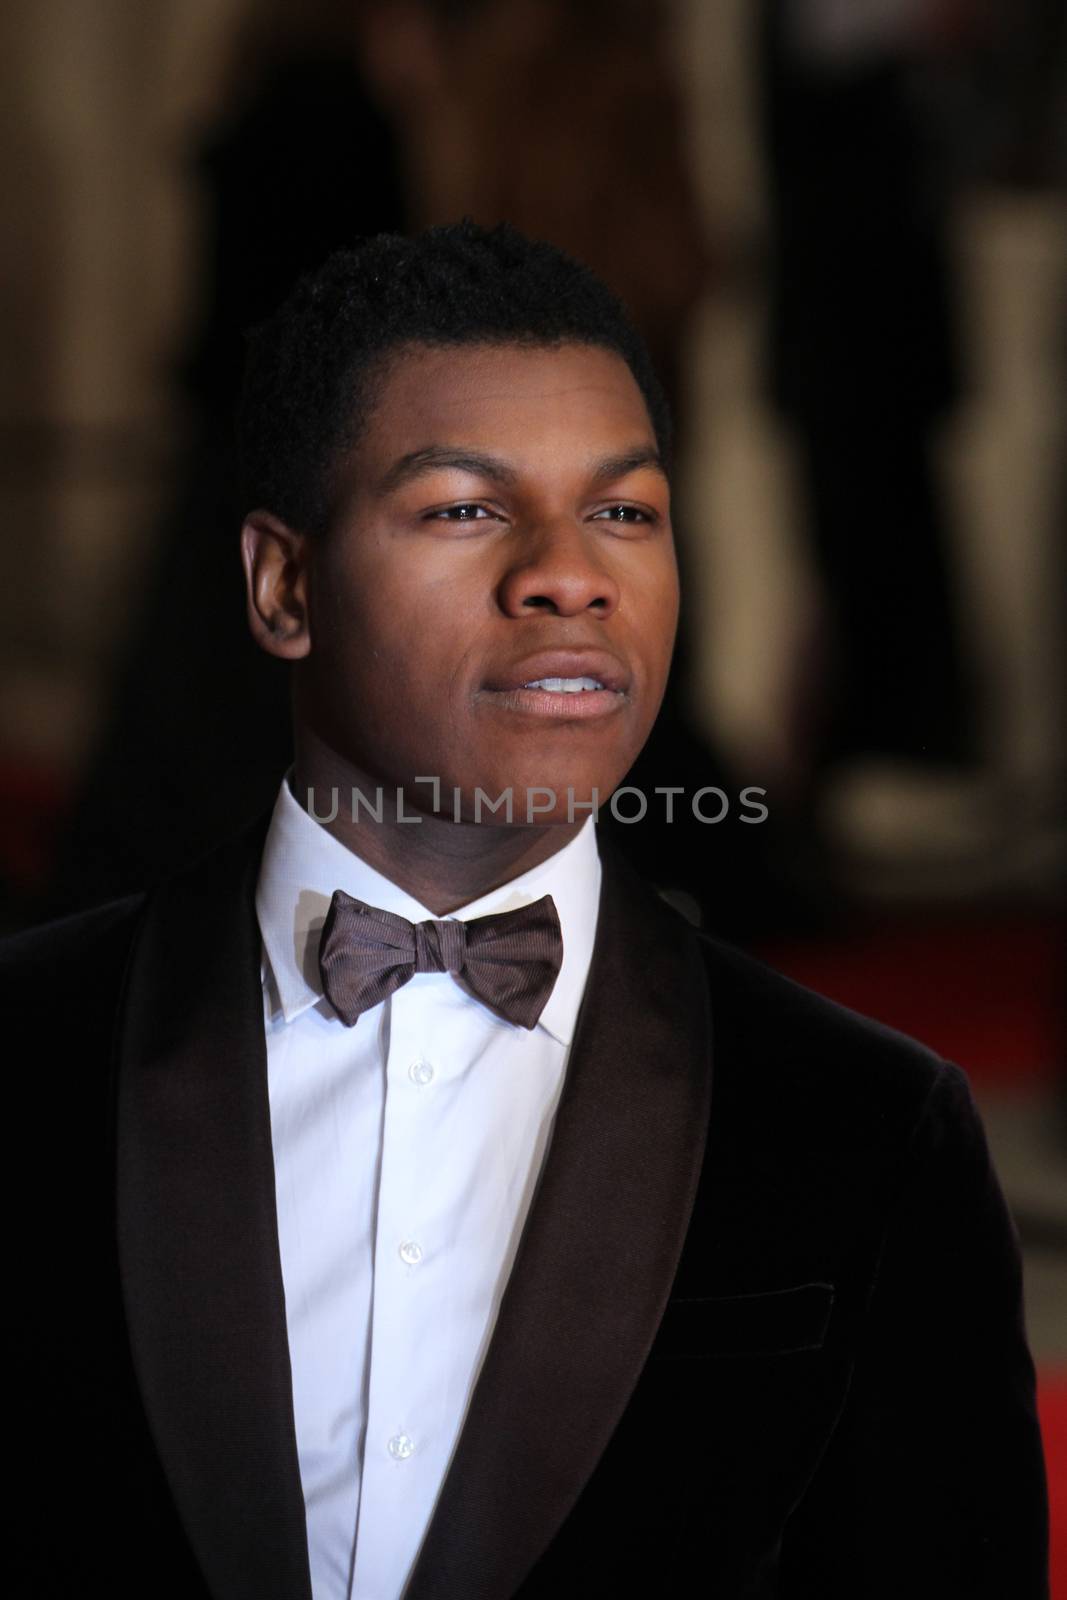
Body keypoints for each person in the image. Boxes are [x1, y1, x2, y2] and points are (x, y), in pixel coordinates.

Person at [6, 221, 1047, 1598]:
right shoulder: (26, 1055)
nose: (571, 573)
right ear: (284, 584)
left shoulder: (868, 1131)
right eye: (466, 508)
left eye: (622, 510)